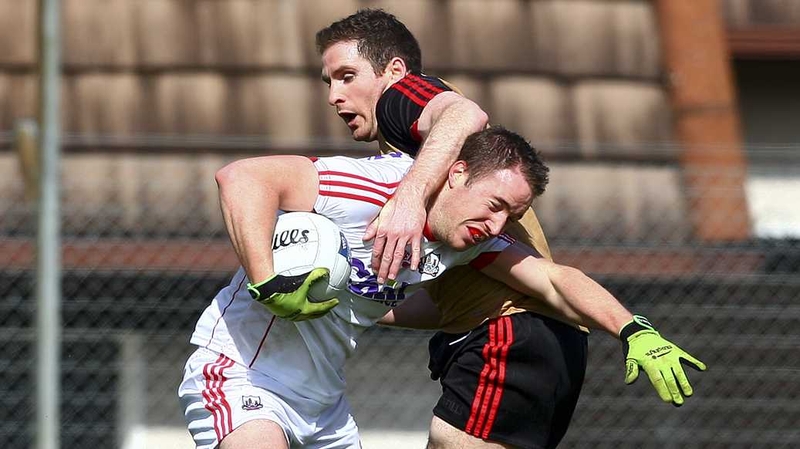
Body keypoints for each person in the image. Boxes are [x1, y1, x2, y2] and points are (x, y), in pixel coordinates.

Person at [178, 126, 705, 449]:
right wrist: (267, 280)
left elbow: (552, 278)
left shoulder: (468, 242)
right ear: (455, 174)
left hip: (324, 405)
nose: (498, 225)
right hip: (240, 372)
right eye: (495, 205)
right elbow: (242, 177)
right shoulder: (378, 186)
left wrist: (634, 330)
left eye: (513, 216)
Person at [315, 9, 592, 448]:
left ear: (394, 70)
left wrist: (408, 198)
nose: (334, 95)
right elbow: (449, 299)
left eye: (347, 76)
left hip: (509, 332)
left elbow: (465, 113)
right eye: (329, 82)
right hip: (540, 338)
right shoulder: (425, 162)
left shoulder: (397, 98)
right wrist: (348, 301)